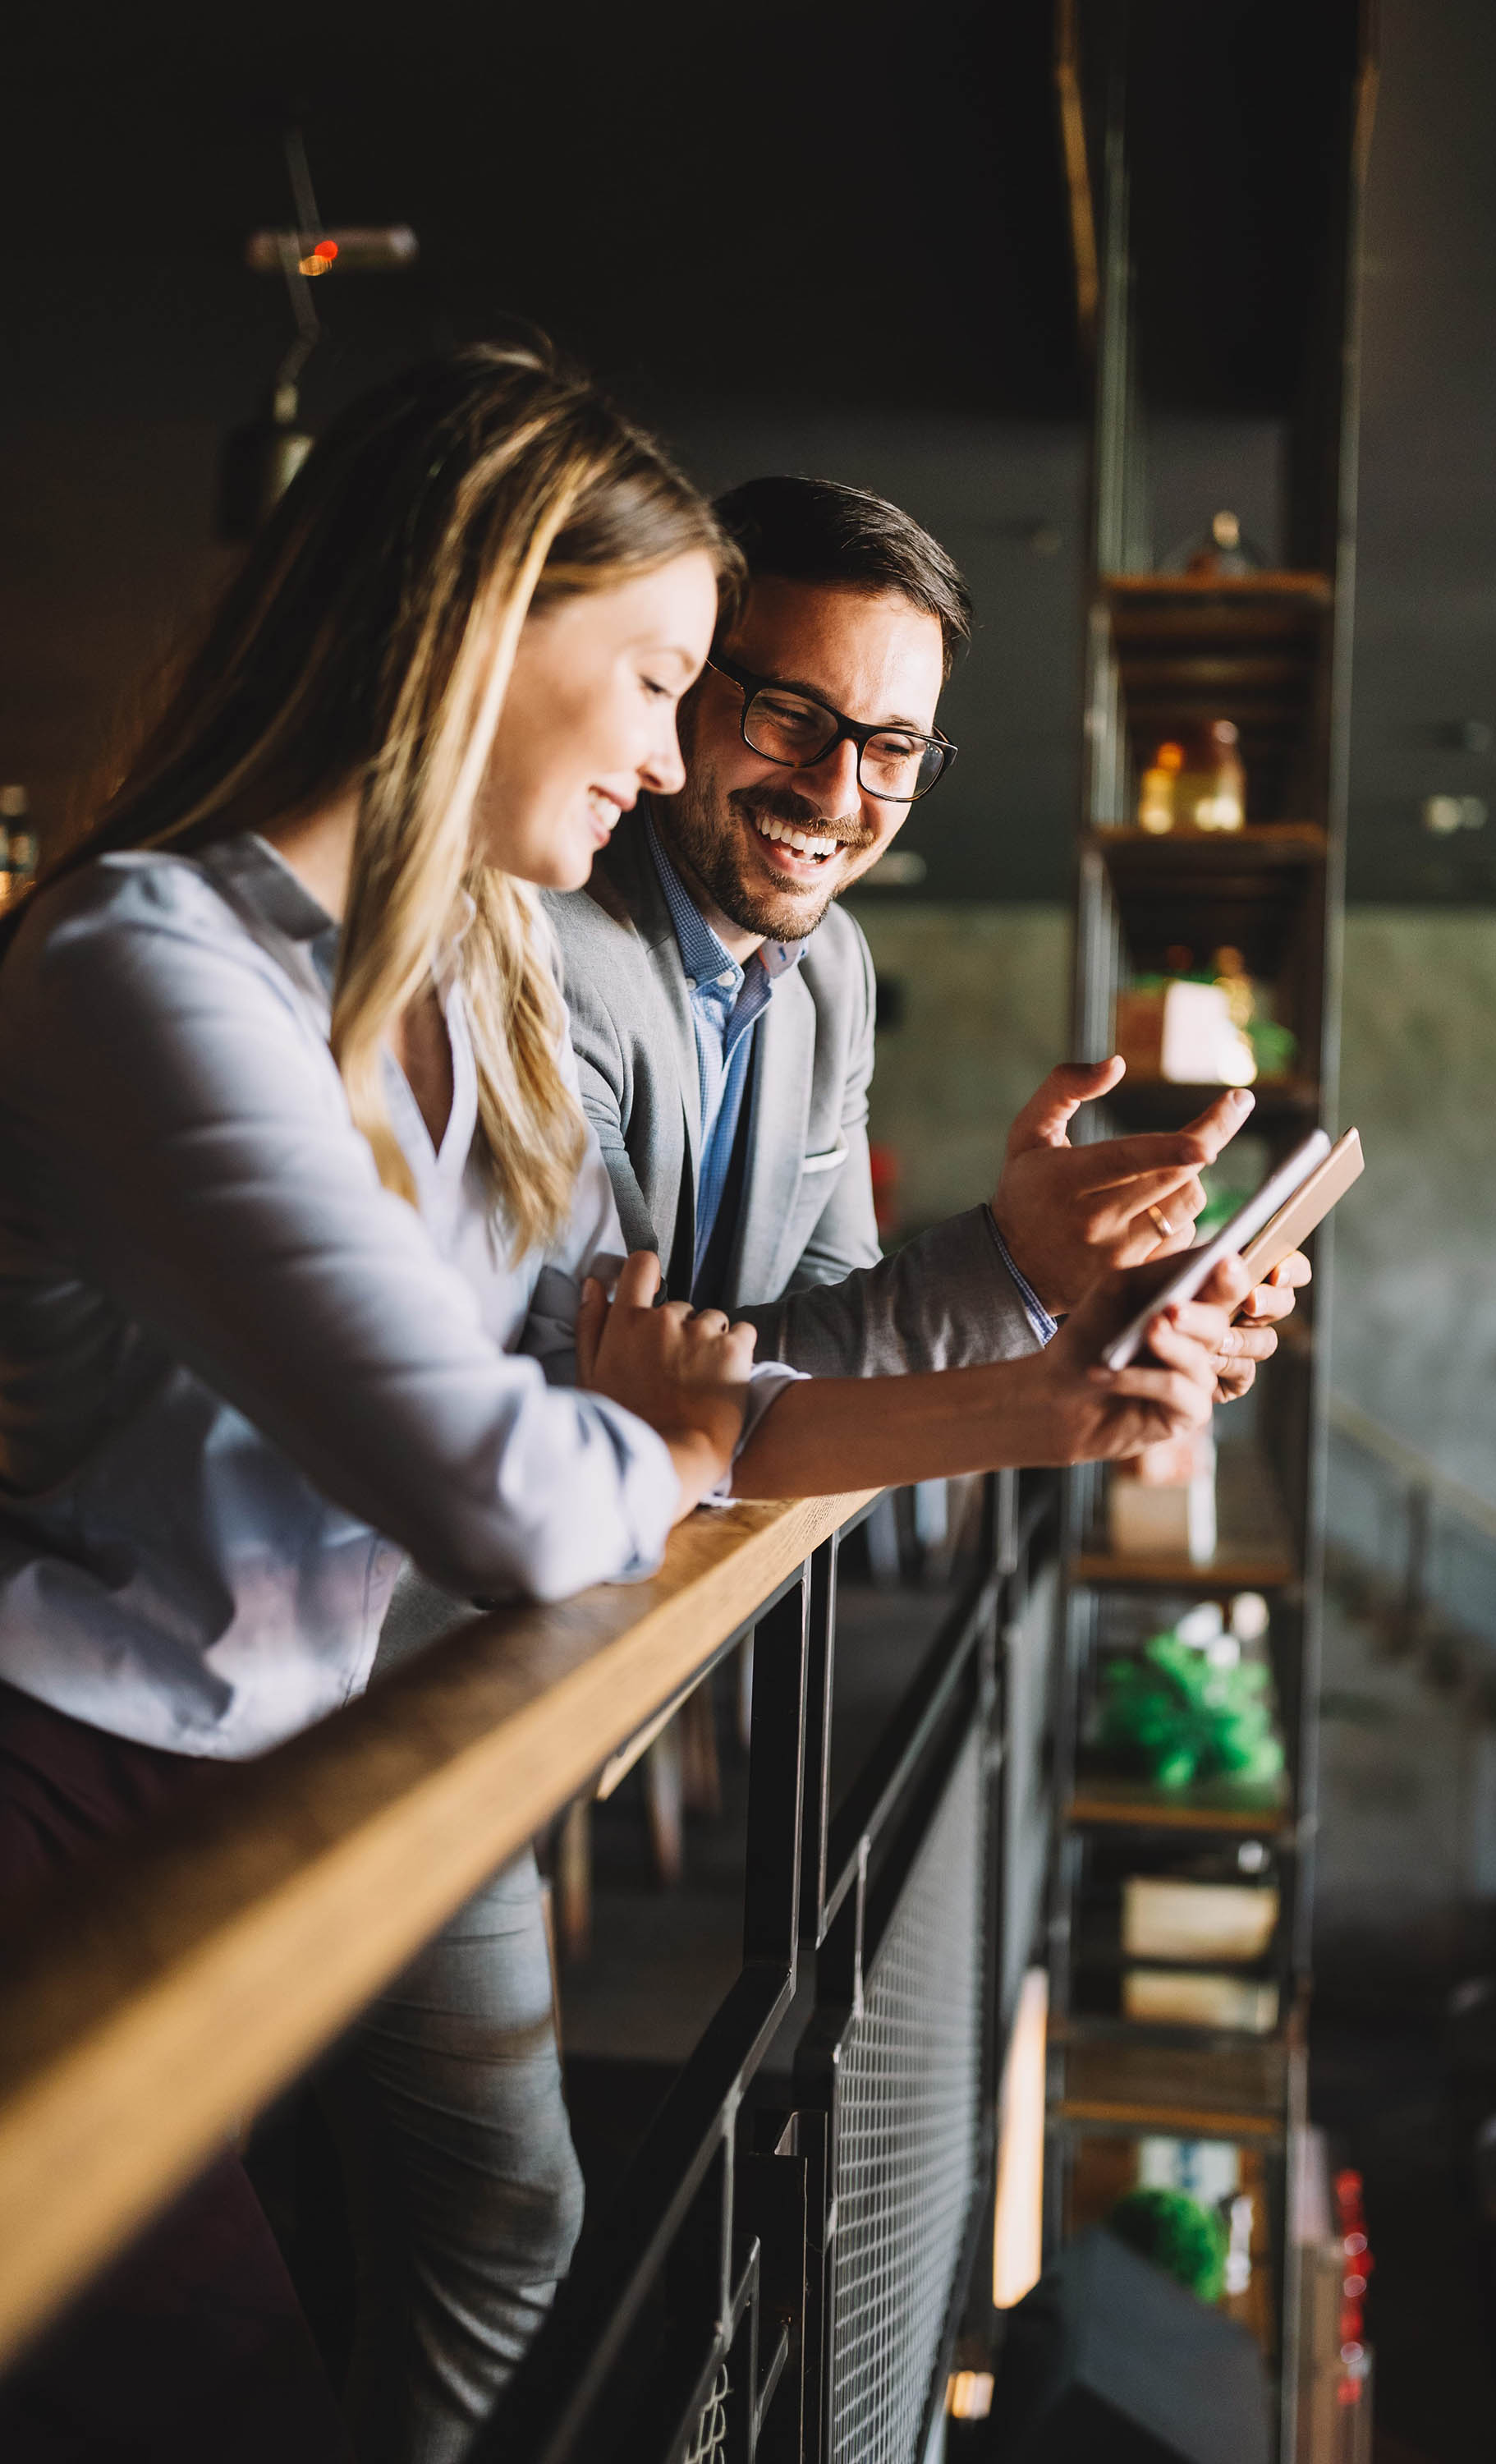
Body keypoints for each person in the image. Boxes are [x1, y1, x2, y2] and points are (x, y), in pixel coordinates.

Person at [0, 341, 1245, 2462]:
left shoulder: (458, 959)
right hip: (132, 1750)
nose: (708, 759)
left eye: (899, 752)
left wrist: (1058, 1376)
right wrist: (659, 1433)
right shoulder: (206, 959)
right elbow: (531, 1468)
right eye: (696, 683)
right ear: (488, 631)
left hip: (305, 1744)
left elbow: (729, 1389)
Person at [548, 473, 1308, 1394]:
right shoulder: (542, 947)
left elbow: (832, 1341)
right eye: (790, 714)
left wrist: (1097, 1316)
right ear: (680, 685)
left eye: (893, 748)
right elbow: (609, 1379)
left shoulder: (832, 972)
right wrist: (1012, 1269)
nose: (837, 792)